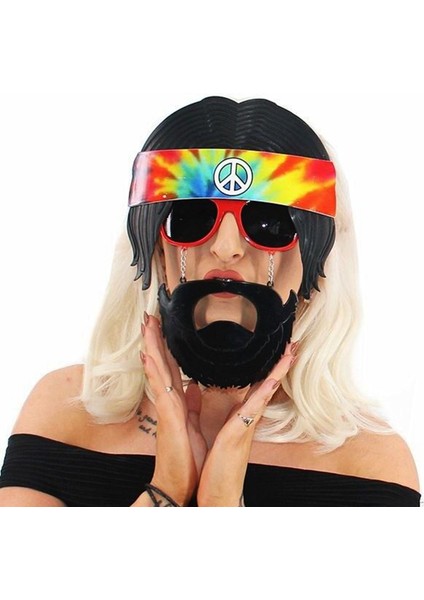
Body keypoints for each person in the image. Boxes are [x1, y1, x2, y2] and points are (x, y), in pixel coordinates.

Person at [0, 96, 420, 507]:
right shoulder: (69, 410)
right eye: (192, 217)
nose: (226, 247)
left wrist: (222, 505)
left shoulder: (367, 463)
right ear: (156, 246)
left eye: (268, 222)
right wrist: (167, 488)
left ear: (318, 255)